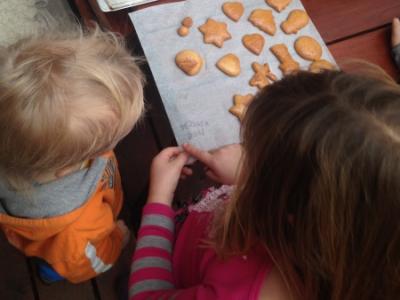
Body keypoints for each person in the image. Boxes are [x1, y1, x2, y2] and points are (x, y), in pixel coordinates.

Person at [129, 68, 400, 299]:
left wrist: (158, 200)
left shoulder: (240, 292)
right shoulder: (351, 232)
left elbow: (147, 295)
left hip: (167, 262)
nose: (245, 154)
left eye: (255, 157)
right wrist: (249, 175)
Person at [0, 26, 145, 283]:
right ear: (68, 165)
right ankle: (49, 271)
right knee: (61, 261)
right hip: (68, 246)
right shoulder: (76, 229)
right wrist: (115, 241)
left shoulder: (15, 138)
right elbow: (87, 262)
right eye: (111, 139)